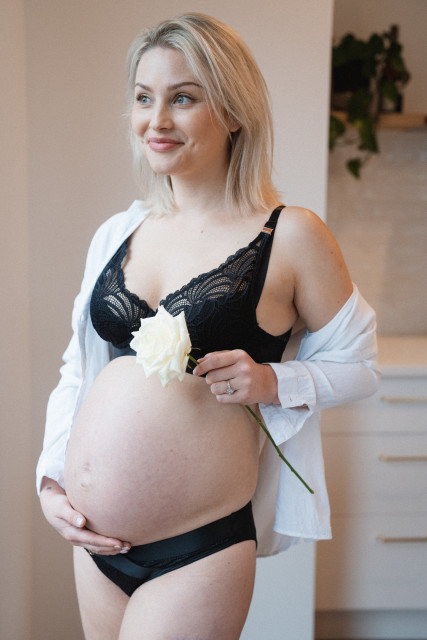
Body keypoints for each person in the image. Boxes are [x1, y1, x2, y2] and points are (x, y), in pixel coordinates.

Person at [37, 12, 380, 640]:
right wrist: (52, 478)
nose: (156, 121)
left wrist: (272, 381)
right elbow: (76, 371)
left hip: (195, 550)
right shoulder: (119, 232)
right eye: (144, 98)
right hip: (94, 542)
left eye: (183, 98)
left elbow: (360, 367)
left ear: (233, 111)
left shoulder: (290, 235)